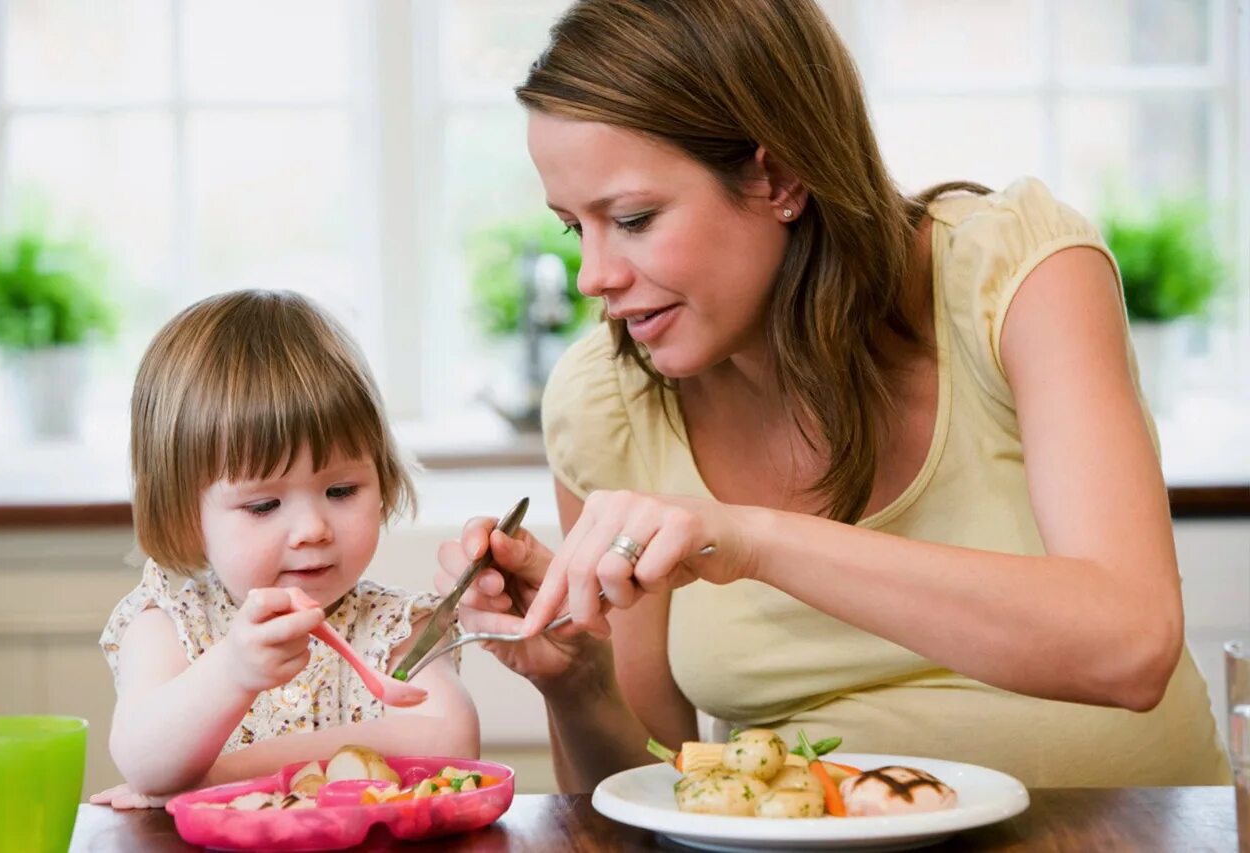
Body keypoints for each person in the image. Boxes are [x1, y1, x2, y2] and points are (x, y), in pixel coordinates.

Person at [436, 0, 1230, 791]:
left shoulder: (1016, 274)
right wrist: (577, 679)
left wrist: (750, 539)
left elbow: (1131, 645)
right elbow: (662, 791)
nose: (592, 277)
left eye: (635, 218)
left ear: (778, 176)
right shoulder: (607, 401)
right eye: (576, 227)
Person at [92, 290, 478, 808]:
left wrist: (221, 777)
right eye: (264, 505)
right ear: (188, 514)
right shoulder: (170, 626)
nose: (312, 530)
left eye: (341, 492)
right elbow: (145, 762)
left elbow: (449, 744)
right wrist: (232, 671)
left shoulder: (397, 628)